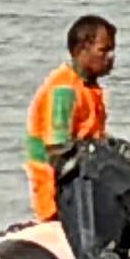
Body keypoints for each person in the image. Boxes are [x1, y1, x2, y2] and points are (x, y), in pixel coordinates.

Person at [24, 15, 114, 221]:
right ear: (81, 50)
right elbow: (56, 150)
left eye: (111, 51)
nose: (110, 58)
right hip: (58, 196)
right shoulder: (63, 91)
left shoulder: (89, 87)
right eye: (104, 51)